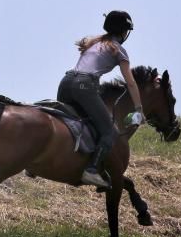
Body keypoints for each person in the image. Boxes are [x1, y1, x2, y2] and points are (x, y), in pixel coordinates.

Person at [57, 10, 145, 189]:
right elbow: (131, 83)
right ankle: (92, 170)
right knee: (110, 132)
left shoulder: (93, 43)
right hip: (85, 86)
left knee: (68, 123)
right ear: (123, 31)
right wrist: (139, 109)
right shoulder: (119, 50)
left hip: (66, 82)